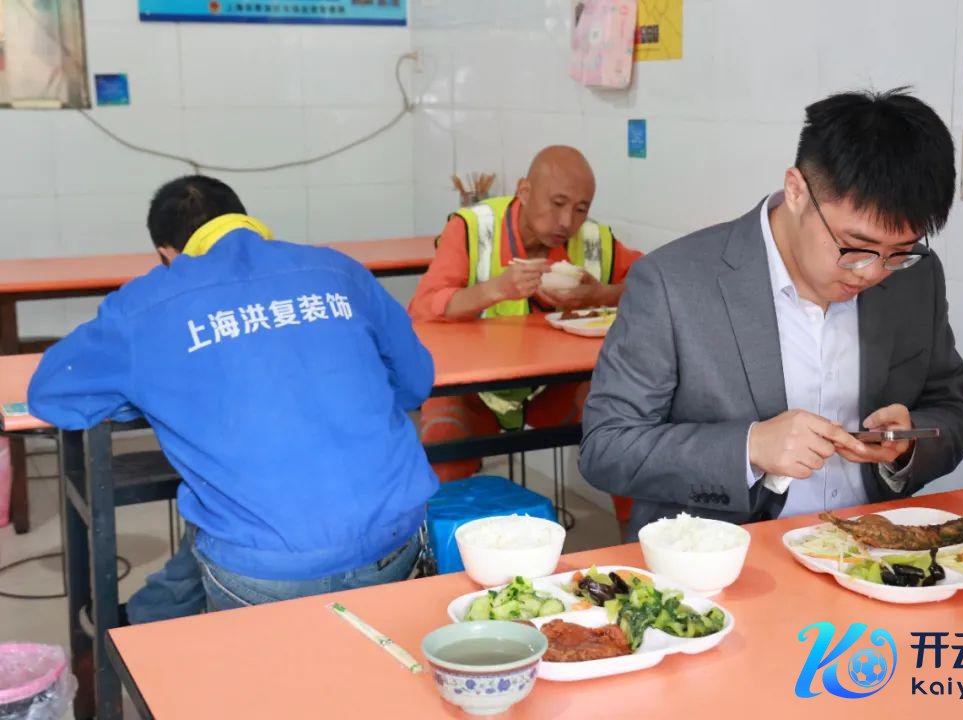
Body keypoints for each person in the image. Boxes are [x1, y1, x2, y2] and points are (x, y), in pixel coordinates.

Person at [579, 88, 963, 538]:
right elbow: (606, 447)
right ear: (796, 191)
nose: (872, 272)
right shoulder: (674, 284)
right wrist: (749, 448)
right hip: (724, 559)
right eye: (855, 247)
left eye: (899, 252)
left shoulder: (916, 277)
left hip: (869, 552)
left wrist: (908, 445)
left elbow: (953, 410)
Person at [29, 175, 437, 614]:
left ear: (166, 253)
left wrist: (153, 395)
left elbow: (50, 393)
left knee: (223, 513)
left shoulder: (143, 305)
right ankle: (150, 615)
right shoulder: (337, 269)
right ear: (243, 218)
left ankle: (144, 625)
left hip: (264, 573)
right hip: (397, 544)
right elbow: (415, 382)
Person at [409, 146, 643, 522]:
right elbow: (423, 308)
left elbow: (651, 283)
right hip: (473, 391)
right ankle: (441, 545)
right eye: (558, 203)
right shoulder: (473, 228)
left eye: (581, 209)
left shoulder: (594, 239)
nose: (567, 221)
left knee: (626, 423)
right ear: (524, 191)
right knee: (443, 436)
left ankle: (637, 542)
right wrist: (496, 289)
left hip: (553, 390)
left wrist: (601, 294)